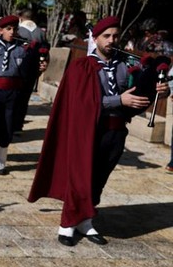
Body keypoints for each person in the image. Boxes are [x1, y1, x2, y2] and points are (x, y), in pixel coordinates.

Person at [28, 16, 170, 246]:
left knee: (98, 179)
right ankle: (67, 224)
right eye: (106, 36)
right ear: (95, 39)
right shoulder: (82, 66)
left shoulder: (124, 66)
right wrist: (118, 100)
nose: (111, 40)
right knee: (80, 177)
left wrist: (158, 91)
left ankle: (85, 219)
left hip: (115, 132)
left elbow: (136, 96)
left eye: (115, 36)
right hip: (87, 132)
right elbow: (83, 102)